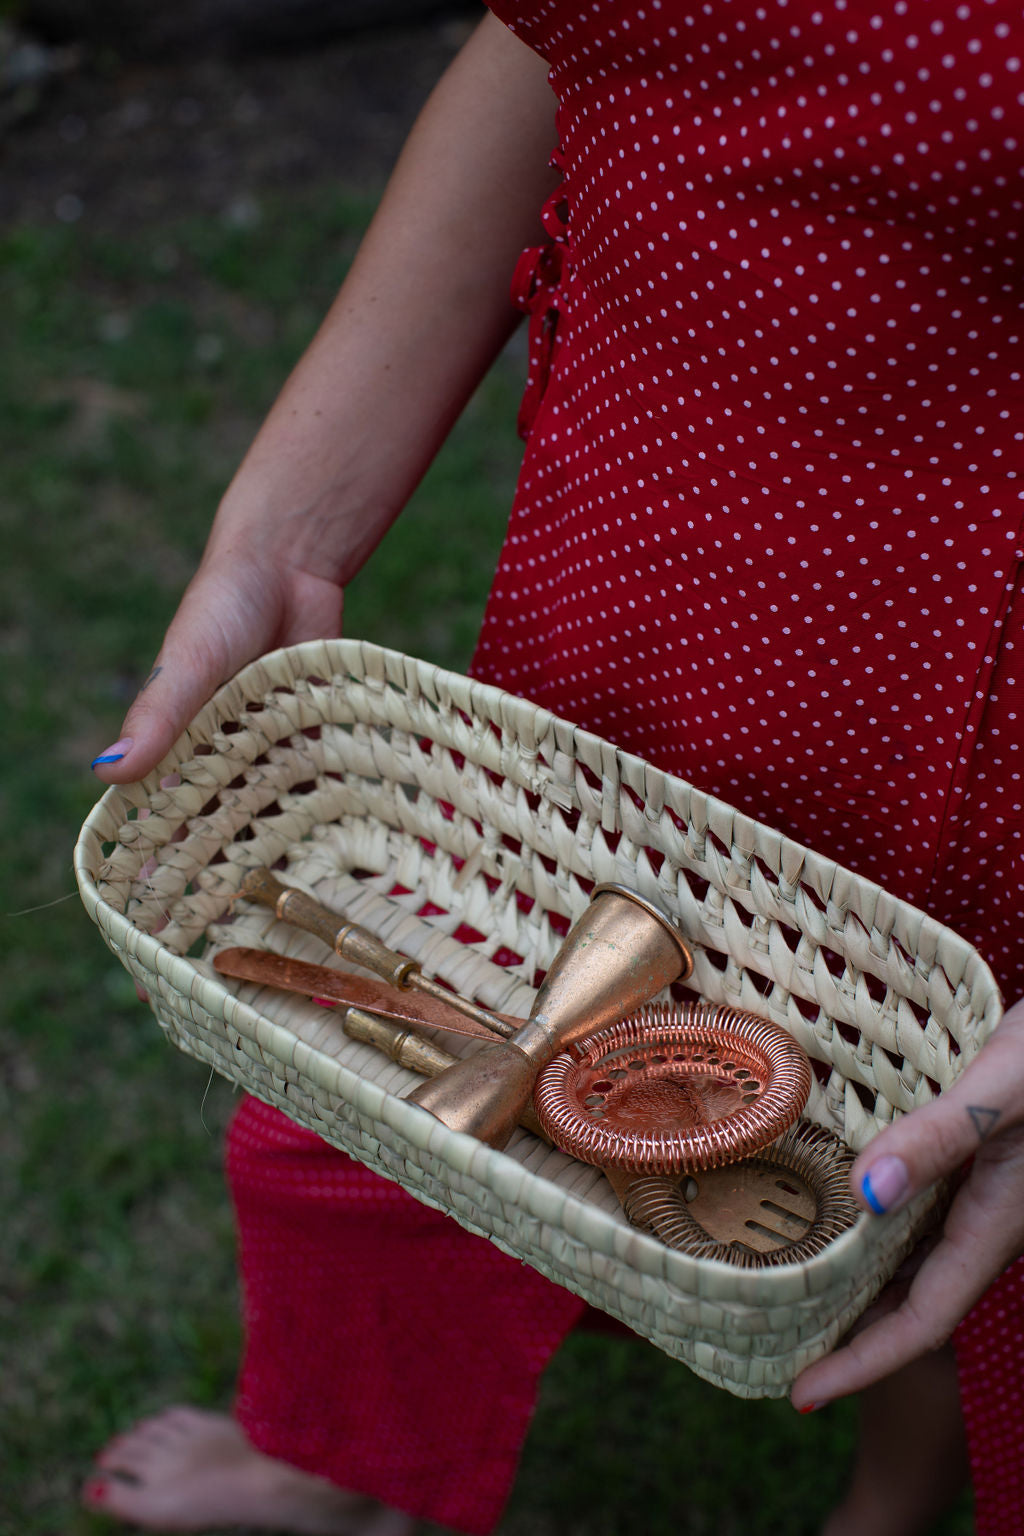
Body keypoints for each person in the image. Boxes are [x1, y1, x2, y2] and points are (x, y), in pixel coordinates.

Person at [86, 3, 1024, 1532]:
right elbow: (552, 46)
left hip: (960, 672)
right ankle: (351, 1454)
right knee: (391, 1089)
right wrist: (288, 529)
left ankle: (905, 1480)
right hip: (626, 582)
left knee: (938, 1166)